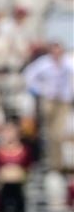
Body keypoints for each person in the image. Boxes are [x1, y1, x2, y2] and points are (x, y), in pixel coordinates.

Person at [22, 42, 73, 171]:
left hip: (63, 101)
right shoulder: (43, 63)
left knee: (58, 133)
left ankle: (57, 163)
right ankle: (52, 162)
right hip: (49, 100)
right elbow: (28, 76)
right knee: (49, 132)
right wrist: (39, 90)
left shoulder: (68, 62)